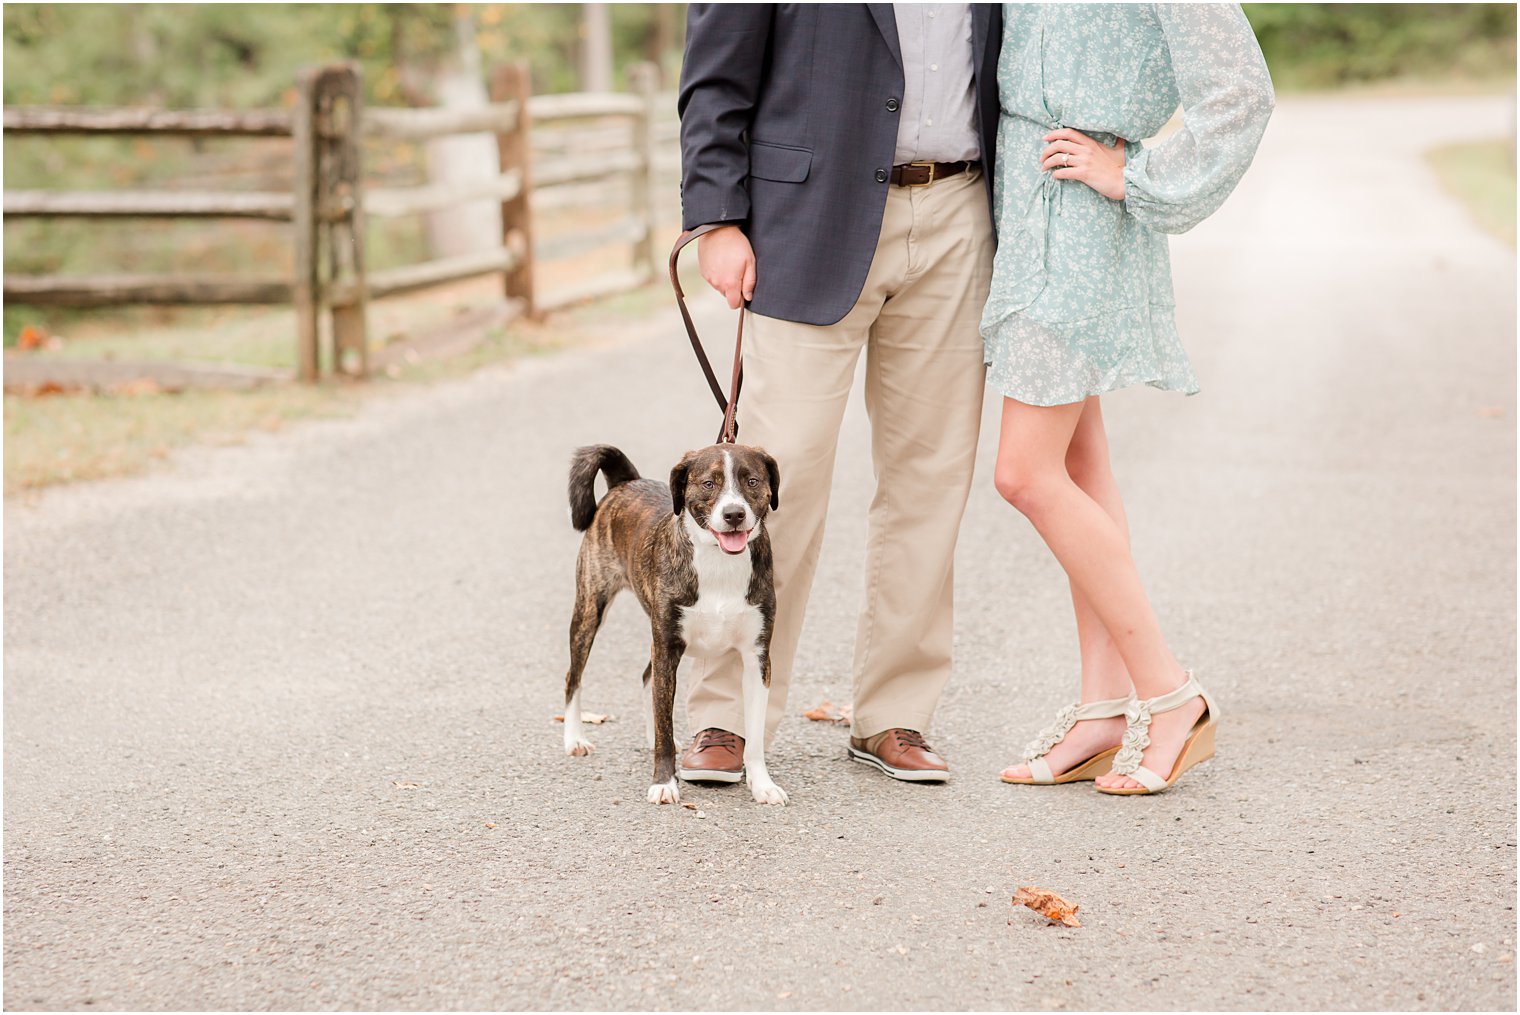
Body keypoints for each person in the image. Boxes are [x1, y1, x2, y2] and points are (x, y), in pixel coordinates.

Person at [676, 4, 1003, 782]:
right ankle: (726, 714)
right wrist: (717, 216)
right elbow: (714, 74)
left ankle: (896, 714)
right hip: (804, 220)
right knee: (769, 479)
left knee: (931, 477)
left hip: (962, 212)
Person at [984, 3, 1273, 794]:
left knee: (1024, 473)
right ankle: (1104, 706)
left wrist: (1136, 175)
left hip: (1082, 222)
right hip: (1023, 205)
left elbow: (1241, 91)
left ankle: (1172, 692)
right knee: (1078, 462)